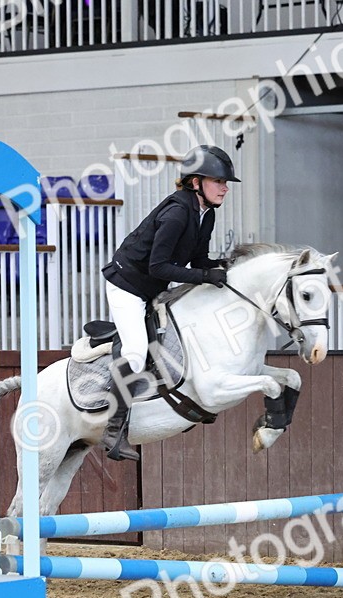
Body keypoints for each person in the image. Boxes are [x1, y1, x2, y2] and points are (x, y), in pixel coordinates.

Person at [98, 144, 240, 461]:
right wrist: (205, 276)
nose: (225, 188)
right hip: (129, 286)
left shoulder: (207, 214)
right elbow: (158, 267)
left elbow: (197, 259)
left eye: (225, 183)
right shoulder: (177, 214)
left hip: (152, 285)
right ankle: (113, 428)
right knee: (135, 353)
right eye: (219, 181)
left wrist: (219, 265)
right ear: (195, 182)